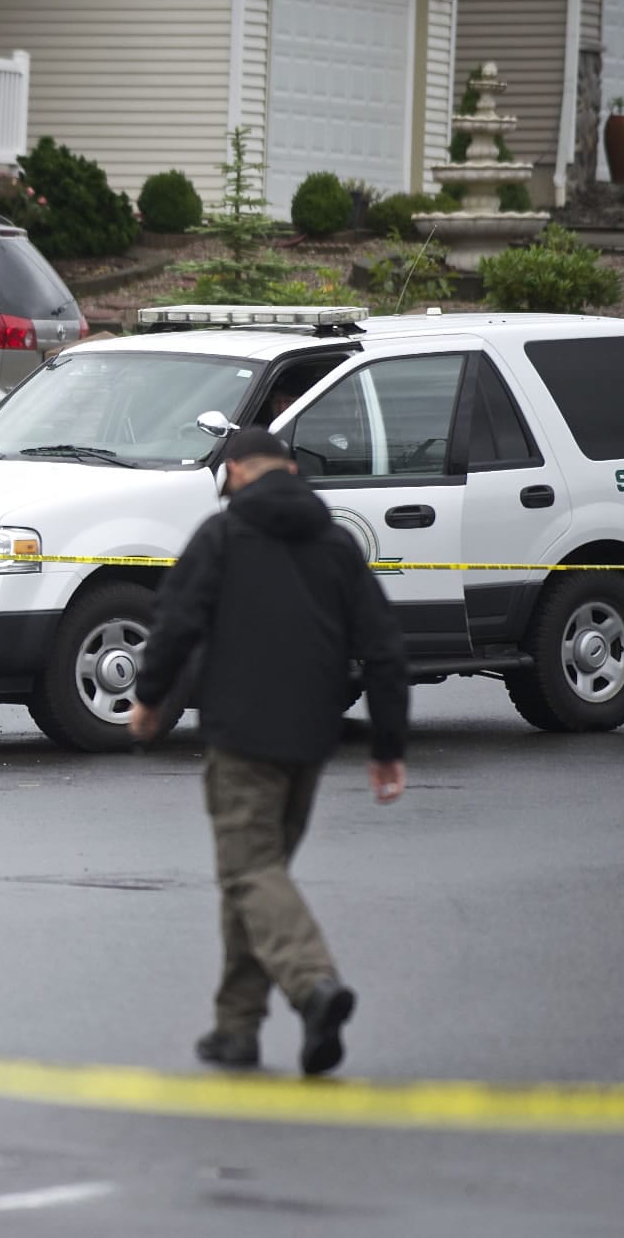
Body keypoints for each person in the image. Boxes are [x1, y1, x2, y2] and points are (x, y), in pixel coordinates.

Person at [129, 427, 408, 1077]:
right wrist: (388, 744)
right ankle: (237, 1027)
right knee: (255, 878)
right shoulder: (336, 543)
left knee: (251, 873)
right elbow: (386, 646)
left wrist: (148, 698)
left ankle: (313, 985)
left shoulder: (223, 536)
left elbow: (175, 619)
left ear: (236, 472)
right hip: (311, 740)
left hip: (241, 736)